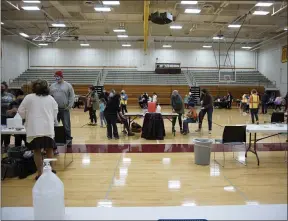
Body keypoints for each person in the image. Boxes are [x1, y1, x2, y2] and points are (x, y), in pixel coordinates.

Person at [18, 79, 58, 180]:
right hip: (48, 128)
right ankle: (51, 171)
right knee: (49, 149)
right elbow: (55, 113)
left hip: (34, 129)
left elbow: (21, 112)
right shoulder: (50, 98)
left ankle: (40, 173)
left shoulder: (29, 98)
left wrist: (28, 116)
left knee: (37, 151)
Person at [50, 71, 75, 143]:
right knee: (53, 125)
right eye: (55, 77)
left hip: (64, 109)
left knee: (66, 125)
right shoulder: (52, 86)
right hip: (54, 110)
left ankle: (68, 140)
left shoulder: (68, 85)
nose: (56, 78)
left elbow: (72, 96)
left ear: (61, 76)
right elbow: (48, 96)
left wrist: (70, 105)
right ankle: (53, 140)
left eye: (57, 76)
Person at [1, 81, 15, 148]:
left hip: (9, 117)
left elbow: (14, 104)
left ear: (5, 87)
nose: (1, 88)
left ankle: (6, 145)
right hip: (1, 116)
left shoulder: (11, 95)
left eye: (2, 87)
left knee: (8, 131)